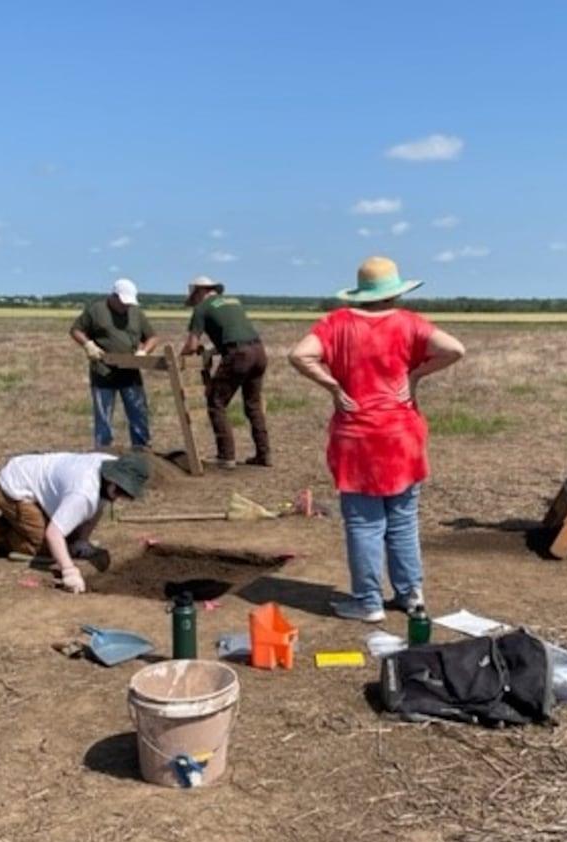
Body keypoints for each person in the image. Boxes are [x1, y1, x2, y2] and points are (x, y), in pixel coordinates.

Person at [288, 256, 465, 622]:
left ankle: (368, 601)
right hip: (402, 435)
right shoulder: (410, 323)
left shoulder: (336, 323)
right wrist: (416, 375)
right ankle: (410, 594)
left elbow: (299, 355)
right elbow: (454, 349)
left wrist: (333, 386)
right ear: (394, 291)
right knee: (403, 519)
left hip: (357, 437)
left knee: (364, 524)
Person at [0, 452, 149, 594]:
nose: (119, 499)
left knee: (69, 540)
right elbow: (53, 534)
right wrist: (69, 571)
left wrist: (82, 541)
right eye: (119, 493)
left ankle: (19, 522)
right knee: (41, 546)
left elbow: (99, 505)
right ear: (111, 480)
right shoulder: (83, 493)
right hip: (13, 489)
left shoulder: (110, 468)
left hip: (35, 481)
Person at [180, 275, 272, 469]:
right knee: (253, 404)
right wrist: (216, 350)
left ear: (199, 291)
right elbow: (234, 331)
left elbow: (192, 345)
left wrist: (179, 358)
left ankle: (226, 456)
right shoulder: (233, 301)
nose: (194, 300)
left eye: (194, 296)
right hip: (259, 352)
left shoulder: (202, 308)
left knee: (216, 402)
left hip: (238, 355)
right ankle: (264, 455)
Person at [68, 278, 158, 450]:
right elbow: (76, 330)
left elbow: (153, 337)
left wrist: (144, 352)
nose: (126, 307)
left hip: (130, 374)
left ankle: (142, 450)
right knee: (103, 416)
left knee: (138, 414)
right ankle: (103, 451)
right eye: (123, 302)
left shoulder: (136, 313)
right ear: (114, 296)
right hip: (103, 373)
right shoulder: (96, 310)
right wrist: (88, 344)